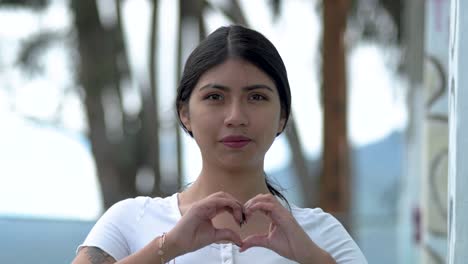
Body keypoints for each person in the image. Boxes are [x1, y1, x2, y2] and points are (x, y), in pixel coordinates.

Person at [73, 25, 367, 264]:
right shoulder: (131, 220)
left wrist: (313, 260)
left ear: (282, 117)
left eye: (256, 97)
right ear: (184, 113)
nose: (236, 116)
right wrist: (169, 246)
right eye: (215, 97)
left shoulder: (320, 234)